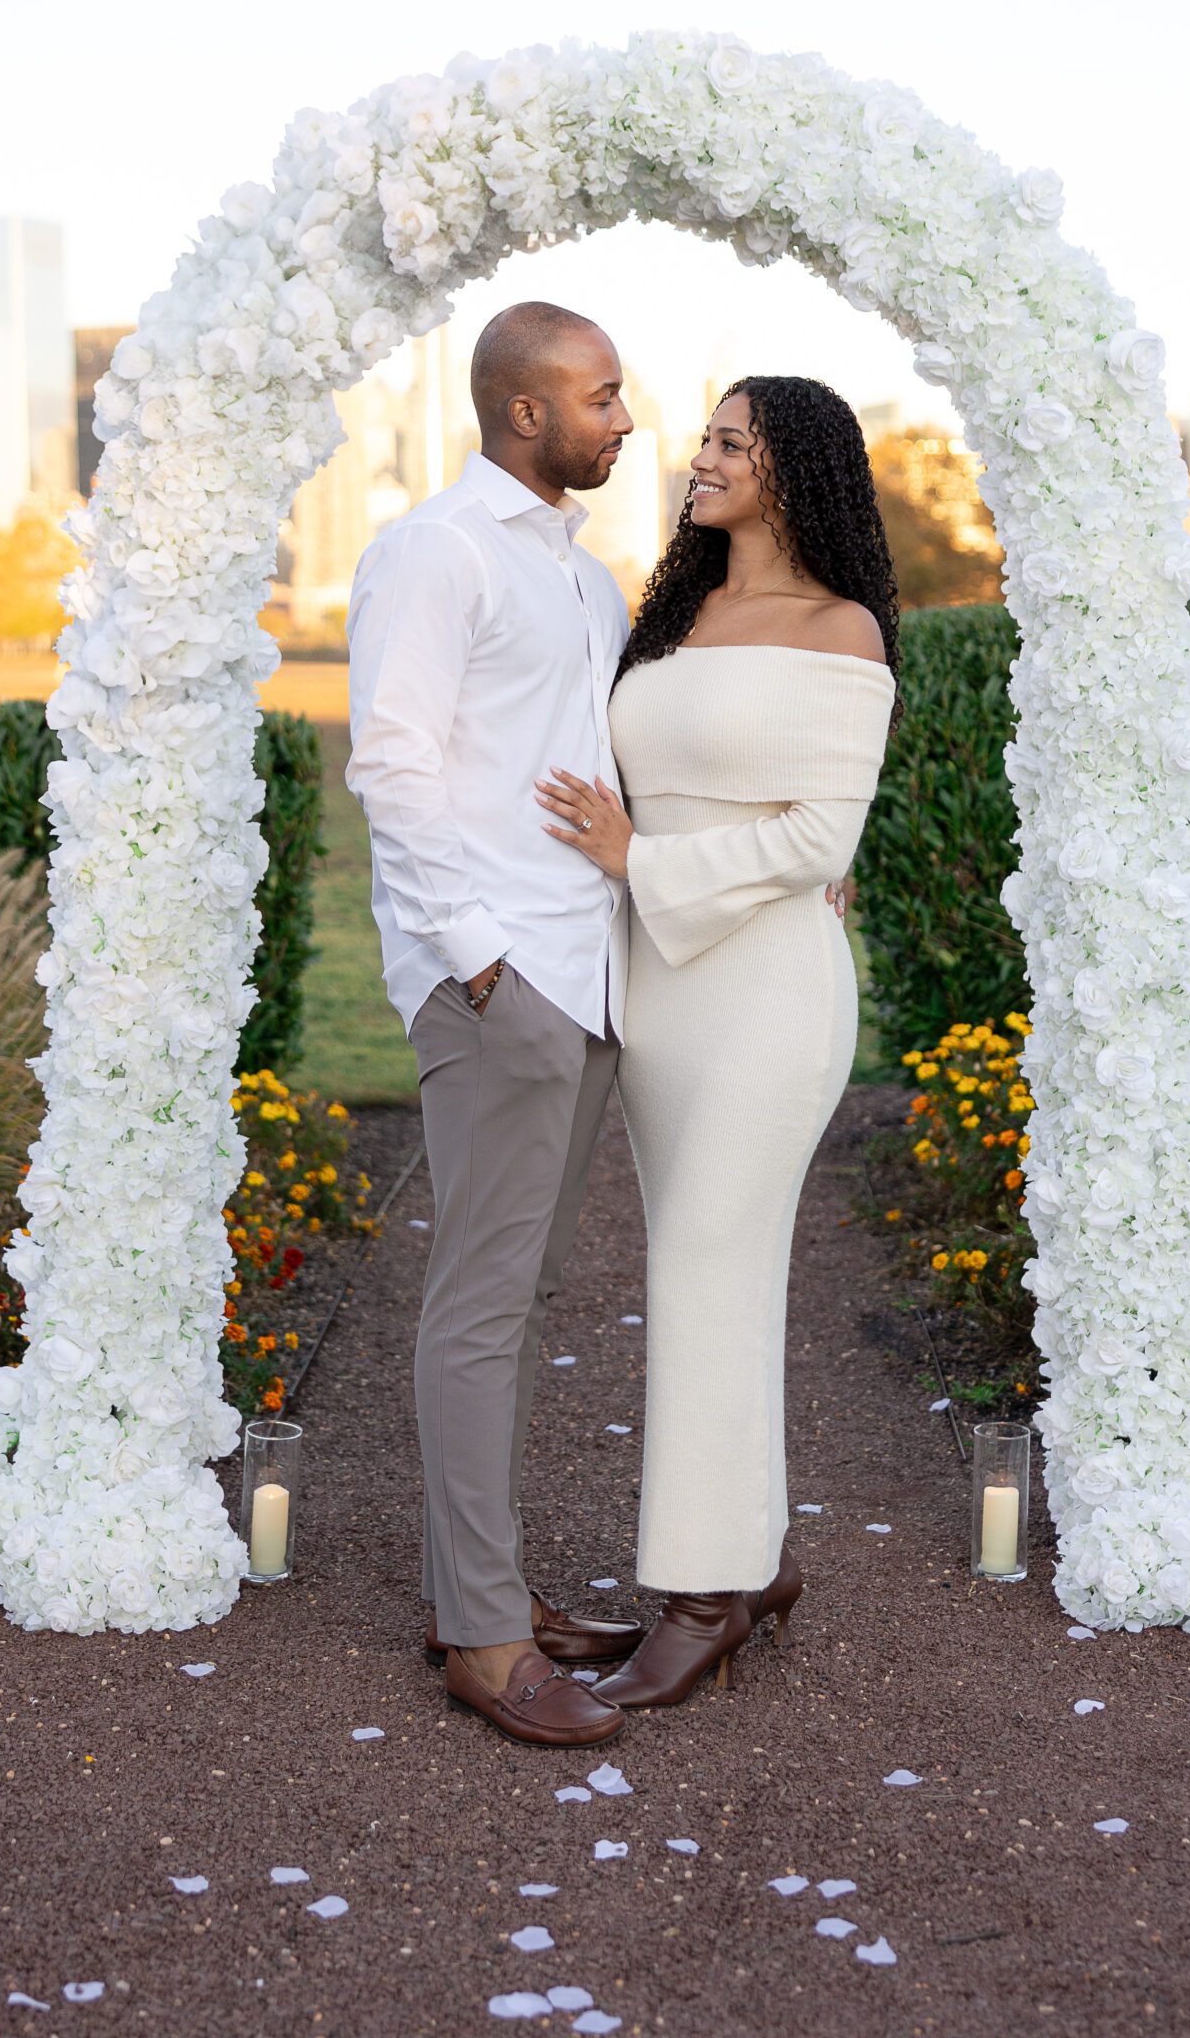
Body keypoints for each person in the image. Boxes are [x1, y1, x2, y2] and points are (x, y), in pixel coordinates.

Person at [535, 375, 898, 1706]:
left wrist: (645, 856)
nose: (700, 459)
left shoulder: (842, 628)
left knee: (699, 1265)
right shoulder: (676, 613)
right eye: (705, 440)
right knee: (715, 1270)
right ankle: (750, 1559)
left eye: (731, 443)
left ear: (795, 467)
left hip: (768, 995)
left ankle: (700, 1598)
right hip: (662, 991)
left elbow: (823, 841)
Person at [344, 299, 645, 1748]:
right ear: (525, 411)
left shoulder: (589, 583)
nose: (625, 418)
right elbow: (393, 767)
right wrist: (476, 966)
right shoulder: (434, 551)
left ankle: (491, 1591)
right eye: (601, 395)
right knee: (479, 1304)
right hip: (502, 983)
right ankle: (480, 1634)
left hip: (582, 977)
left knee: (520, 1300)